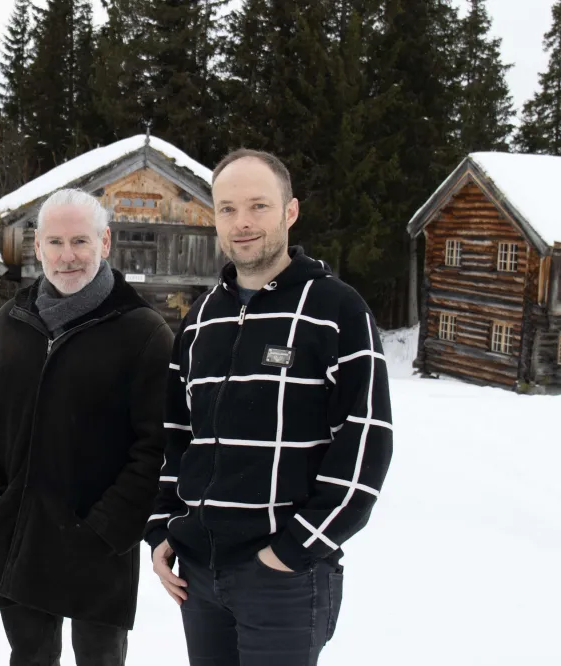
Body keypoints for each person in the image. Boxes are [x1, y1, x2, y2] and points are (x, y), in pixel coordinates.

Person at [144, 148, 394, 665]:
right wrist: (163, 527)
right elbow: (175, 435)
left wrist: (292, 550)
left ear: (290, 211)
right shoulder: (200, 321)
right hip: (200, 575)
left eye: (258, 206)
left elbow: (364, 441)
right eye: (228, 209)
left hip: (283, 578)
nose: (242, 223)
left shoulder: (336, 311)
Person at [0, 188, 173, 666]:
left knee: (100, 658)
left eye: (80, 240)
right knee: (30, 656)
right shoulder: (11, 323)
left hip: (97, 540)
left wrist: (107, 528)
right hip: (17, 529)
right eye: (54, 242)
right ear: (37, 248)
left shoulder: (143, 331)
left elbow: (155, 445)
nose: (67, 255)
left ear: (105, 242)